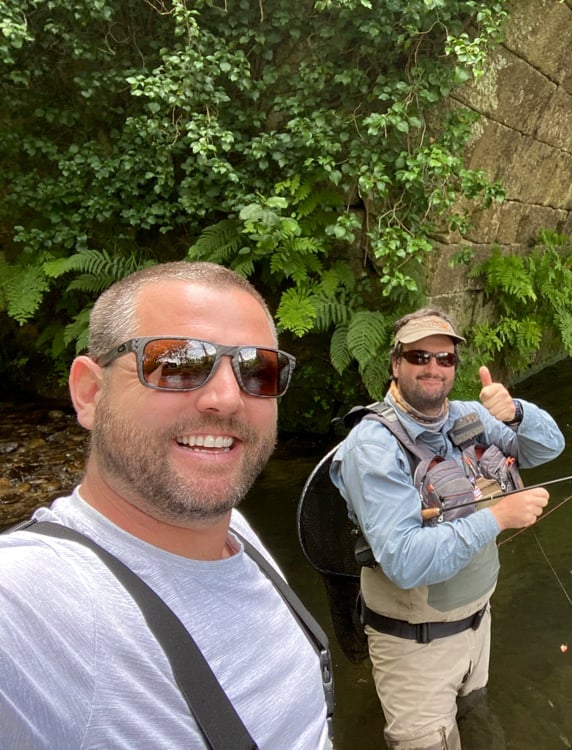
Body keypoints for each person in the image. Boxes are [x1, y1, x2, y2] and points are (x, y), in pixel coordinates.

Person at [0, 261, 333, 749]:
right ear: (90, 393)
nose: (226, 398)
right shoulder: (33, 602)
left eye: (256, 370)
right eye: (177, 364)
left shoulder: (234, 532)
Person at [329, 308, 565, 749]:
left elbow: (548, 448)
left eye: (445, 358)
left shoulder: (468, 414)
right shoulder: (372, 446)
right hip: (416, 645)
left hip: (479, 624)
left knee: (475, 720)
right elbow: (403, 560)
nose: (433, 368)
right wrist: (496, 517)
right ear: (395, 364)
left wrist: (516, 412)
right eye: (419, 357)